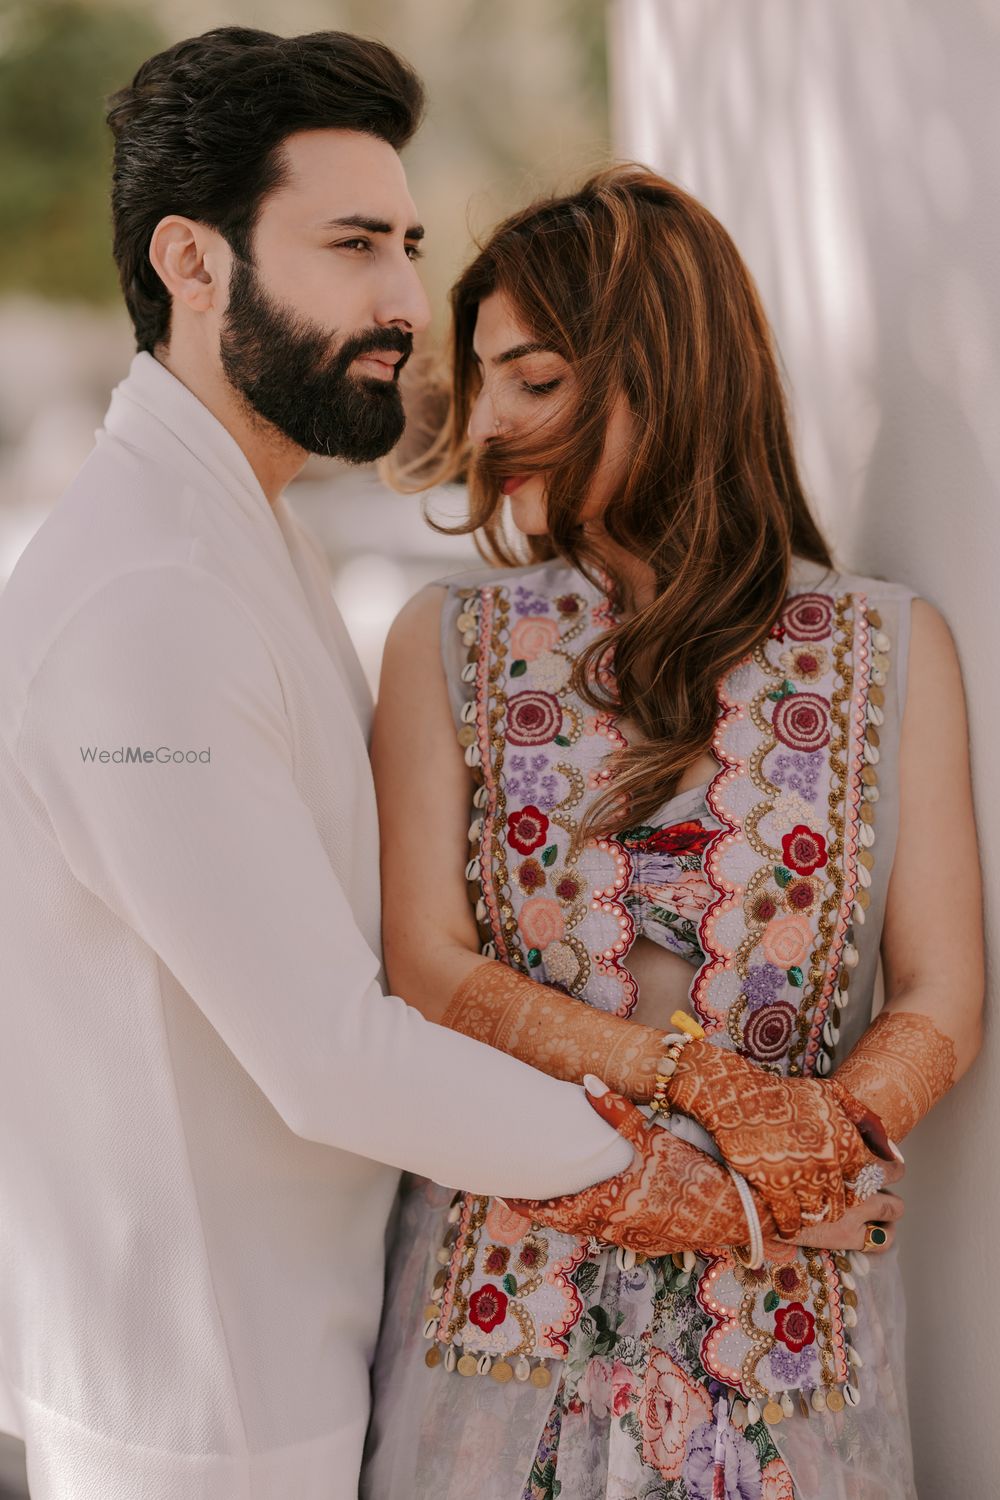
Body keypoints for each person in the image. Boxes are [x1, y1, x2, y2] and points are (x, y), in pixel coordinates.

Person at [0, 30, 685, 1500]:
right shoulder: (149, 600)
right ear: (193, 261)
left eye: (409, 243)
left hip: (291, 1362)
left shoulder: (239, 534)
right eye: (353, 242)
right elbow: (327, 1053)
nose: (400, 300)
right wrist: (695, 1180)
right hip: (209, 1416)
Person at [361, 166, 984, 1499]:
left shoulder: (887, 645)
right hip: (504, 1319)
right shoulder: (448, 642)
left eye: (531, 380)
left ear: (667, 366)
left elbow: (943, 991)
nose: (485, 425)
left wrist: (816, 1154)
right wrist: (707, 1085)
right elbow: (427, 964)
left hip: (789, 1338)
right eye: (480, 383)